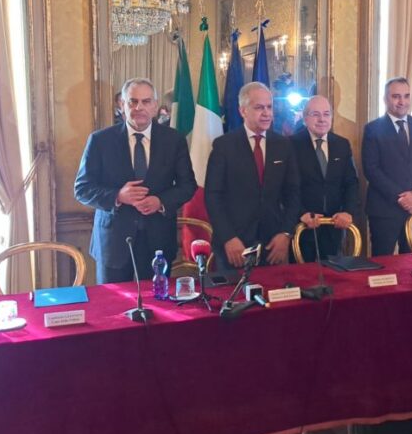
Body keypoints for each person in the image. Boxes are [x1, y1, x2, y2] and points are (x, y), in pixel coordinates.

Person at [75, 78, 197, 282]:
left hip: (157, 241)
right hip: (113, 242)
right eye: (133, 101)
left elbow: (188, 186)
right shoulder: (100, 140)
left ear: (155, 106)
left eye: (146, 101)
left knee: (155, 300)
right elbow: (82, 189)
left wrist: (160, 201)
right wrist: (118, 196)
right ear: (122, 105)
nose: (139, 107)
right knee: (113, 301)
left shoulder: (174, 140)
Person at [205, 82, 300, 269]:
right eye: (259, 107)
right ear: (243, 111)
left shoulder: (283, 145)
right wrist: (228, 237)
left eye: (269, 107)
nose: (266, 113)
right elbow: (213, 196)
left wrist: (285, 234)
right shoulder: (224, 146)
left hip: (273, 244)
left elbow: (293, 193)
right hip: (235, 245)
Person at [362, 77, 412, 256]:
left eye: (406, 96)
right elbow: (371, 169)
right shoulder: (373, 129)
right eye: (396, 96)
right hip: (385, 210)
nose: (402, 101)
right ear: (385, 99)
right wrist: (403, 198)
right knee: (383, 264)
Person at [290, 95, 360, 261]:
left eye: (326, 114)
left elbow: (351, 182)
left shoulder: (342, 144)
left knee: (334, 274)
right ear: (305, 118)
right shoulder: (291, 144)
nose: (322, 119)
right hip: (303, 226)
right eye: (315, 114)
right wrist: (301, 213)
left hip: (334, 226)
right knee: (302, 275)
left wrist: (348, 211)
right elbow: (287, 187)